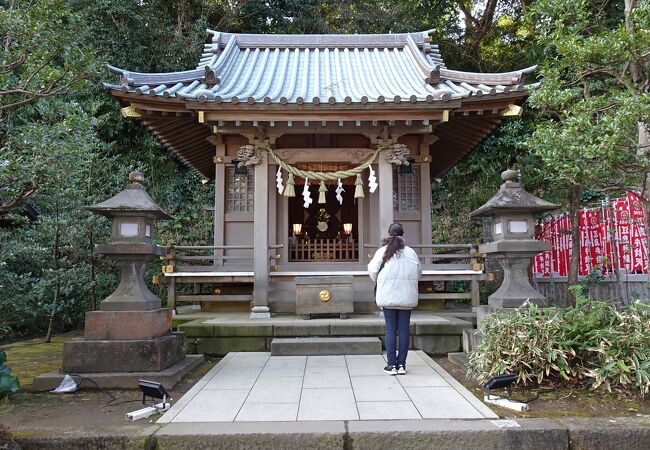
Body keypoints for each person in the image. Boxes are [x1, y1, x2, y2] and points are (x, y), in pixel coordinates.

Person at [368, 223, 421, 375]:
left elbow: (373, 271)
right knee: (404, 330)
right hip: (406, 296)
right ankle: (402, 365)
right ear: (403, 235)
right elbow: (418, 273)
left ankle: (391, 365)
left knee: (391, 329)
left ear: (389, 234)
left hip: (388, 295)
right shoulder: (411, 253)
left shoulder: (382, 251)